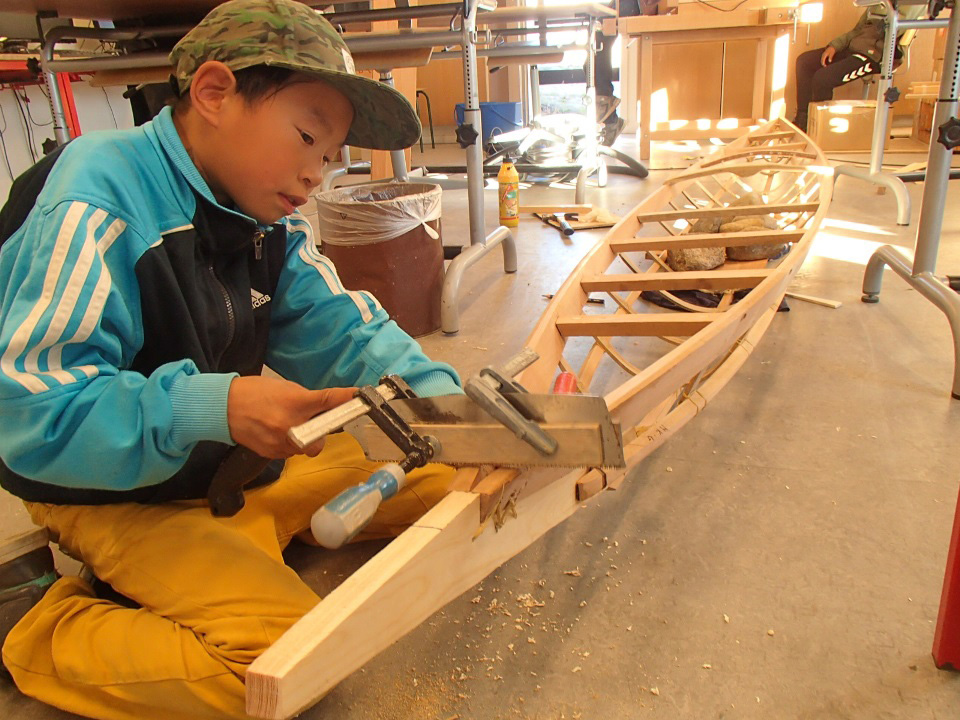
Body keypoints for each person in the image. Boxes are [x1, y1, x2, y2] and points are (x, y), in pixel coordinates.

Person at [0, 1, 461, 718]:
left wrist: (441, 399)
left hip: (227, 463)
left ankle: (253, 538)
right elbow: (33, 413)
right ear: (214, 93)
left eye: (329, 155)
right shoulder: (96, 194)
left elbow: (341, 326)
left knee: (445, 469)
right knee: (282, 669)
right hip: (108, 487)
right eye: (307, 136)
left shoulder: (262, 209)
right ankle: (35, 628)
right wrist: (211, 406)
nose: (316, 174)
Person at [793, 4, 920, 133]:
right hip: (853, 48)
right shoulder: (877, 5)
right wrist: (835, 46)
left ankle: (818, 128)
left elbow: (896, 30)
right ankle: (802, 121)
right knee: (804, 62)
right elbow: (856, 31)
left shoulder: (911, 6)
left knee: (823, 78)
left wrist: (887, 9)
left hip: (875, 56)